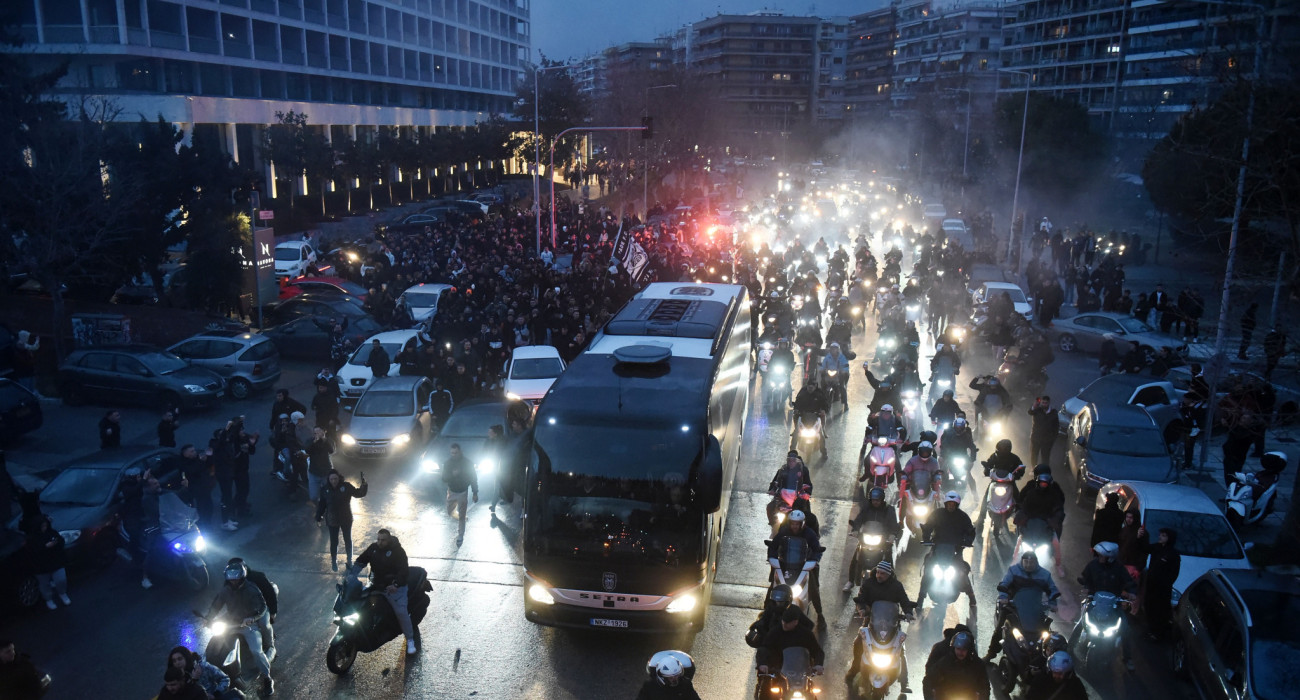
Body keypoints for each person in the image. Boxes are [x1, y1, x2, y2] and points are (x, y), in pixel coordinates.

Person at [847, 560, 915, 694]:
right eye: (878, 572)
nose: (879, 575)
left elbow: (904, 600)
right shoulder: (869, 583)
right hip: (872, 621)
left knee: (900, 650)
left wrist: (908, 612)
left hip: (892, 624)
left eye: (882, 573)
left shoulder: (897, 586)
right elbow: (861, 598)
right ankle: (854, 670)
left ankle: (904, 681)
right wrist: (861, 609)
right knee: (858, 644)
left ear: (889, 574)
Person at [206, 562, 274, 694]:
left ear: (242, 576)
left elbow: (262, 607)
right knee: (215, 645)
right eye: (231, 578)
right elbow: (216, 605)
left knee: (256, 651)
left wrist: (252, 618)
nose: (233, 581)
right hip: (230, 623)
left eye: (236, 578)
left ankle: (267, 678)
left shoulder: (252, 589)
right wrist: (208, 618)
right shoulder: (225, 590)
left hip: (247, 625)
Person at [1071, 542, 1138, 671]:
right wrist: (1085, 588)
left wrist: (1132, 594)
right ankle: (1069, 648)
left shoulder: (1119, 568)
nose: (1099, 557)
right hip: (1094, 602)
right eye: (1099, 555)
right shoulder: (1093, 565)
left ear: (1110, 557)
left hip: (1113, 604)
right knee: (1081, 623)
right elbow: (1084, 578)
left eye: (1102, 555)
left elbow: (1130, 583)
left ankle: (1127, 658)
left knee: (1125, 629)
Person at [984, 551, 1060, 660]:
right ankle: (991, 653)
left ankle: (1045, 655)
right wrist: (1004, 597)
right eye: (1026, 562)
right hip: (1014, 607)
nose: (1029, 565)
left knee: (1046, 631)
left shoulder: (1045, 575)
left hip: (1034, 608)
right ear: (1022, 561)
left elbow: (1052, 590)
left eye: (1031, 562)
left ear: (1036, 562)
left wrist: (1053, 604)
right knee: (1000, 628)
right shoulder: (1013, 571)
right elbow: (1004, 584)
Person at [354, 528, 417, 655]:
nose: (380, 542)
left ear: (389, 540)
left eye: (383, 540)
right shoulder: (373, 548)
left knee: (401, 611)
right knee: (360, 603)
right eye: (378, 539)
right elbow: (362, 560)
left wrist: (396, 584)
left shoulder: (398, 551)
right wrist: (352, 572)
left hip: (394, 588)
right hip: (375, 585)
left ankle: (410, 639)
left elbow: (403, 571)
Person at [917, 492, 976, 606]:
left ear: (957, 505)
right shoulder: (937, 513)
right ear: (945, 503)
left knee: (961, 572)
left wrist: (967, 541)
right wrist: (926, 537)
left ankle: (971, 597)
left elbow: (970, 531)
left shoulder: (963, 517)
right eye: (949, 504)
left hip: (955, 550)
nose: (951, 506)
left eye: (953, 504)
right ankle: (920, 598)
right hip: (937, 549)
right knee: (928, 569)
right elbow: (928, 526)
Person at [767, 509, 824, 620]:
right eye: (792, 523)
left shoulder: (809, 533)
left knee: (813, 587)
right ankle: (766, 611)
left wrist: (814, 560)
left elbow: (817, 549)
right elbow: (773, 546)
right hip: (785, 564)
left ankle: (820, 614)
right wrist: (772, 557)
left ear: (802, 523)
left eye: (797, 524)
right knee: (773, 587)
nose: (794, 526)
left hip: (804, 565)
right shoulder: (784, 531)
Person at [316, 469, 368, 571]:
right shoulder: (325, 489)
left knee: (347, 539)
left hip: (346, 518)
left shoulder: (346, 486)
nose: (334, 481)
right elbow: (322, 504)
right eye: (331, 479)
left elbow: (359, 493)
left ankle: (349, 560)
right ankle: (334, 561)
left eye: (335, 479)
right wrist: (319, 516)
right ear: (329, 479)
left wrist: (364, 484)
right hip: (332, 519)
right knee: (334, 541)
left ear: (339, 478)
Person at [757, 605, 826, 679]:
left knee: (810, 688)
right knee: (766, 687)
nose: (784, 624)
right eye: (783, 621)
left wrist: (818, 664)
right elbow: (764, 648)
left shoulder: (805, 634)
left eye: (787, 623)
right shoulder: (775, 632)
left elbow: (817, 651)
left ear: (795, 622)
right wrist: (763, 663)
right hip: (779, 670)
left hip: (801, 671)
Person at [922, 630, 990, 700]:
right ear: (954, 648)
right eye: (958, 648)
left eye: (964, 649)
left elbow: (984, 686)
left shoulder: (978, 664)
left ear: (969, 650)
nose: (960, 652)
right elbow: (928, 680)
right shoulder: (945, 662)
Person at [1142, 527, 1181, 642]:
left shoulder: (1173, 554)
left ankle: (1158, 633)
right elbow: (1145, 548)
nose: (1160, 537)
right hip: (1151, 586)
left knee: (1160, 611)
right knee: (1149, 607)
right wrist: (1141, 536)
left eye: (1163, 535)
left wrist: (1165, 584)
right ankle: (1151, 630)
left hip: (1162, 590)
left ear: (1169, 538)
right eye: (1160, 535)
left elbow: (1174, 573)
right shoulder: (1157, 547)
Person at [24, 515, 70, 610]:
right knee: (44, 585)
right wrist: (45, 547)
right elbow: (32, 551)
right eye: (42, 526)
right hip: (41, 566)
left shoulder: (52, 532)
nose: (44, 528)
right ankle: (48, 599)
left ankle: (62, 593)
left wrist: (57, 543)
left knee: (61, 580)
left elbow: (61, 541)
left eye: (45, 526)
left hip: (55, 562)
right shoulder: (32, 539)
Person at [166, 646, 243, 700]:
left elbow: (225, 679)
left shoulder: (202, 667)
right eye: (174, 661)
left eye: (180, 659)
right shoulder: (175, 677)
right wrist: (193, 679)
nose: (177, 663)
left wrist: (215, 694)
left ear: (186, 658)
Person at [1016, 466, 1067, 546]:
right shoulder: (1031, 490)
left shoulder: (1055, 491)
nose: (1043, 484)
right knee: (1020, 538)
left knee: (1055, 542)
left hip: (1047, 525)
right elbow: (1021, 501)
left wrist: (1056, 518)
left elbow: (1060, 505)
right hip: (1031, 523)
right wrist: (1021, 514)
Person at [440, 443, 479, 546]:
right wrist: (452, 475)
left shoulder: (467, 463)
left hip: (462, 492)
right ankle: (462, 517)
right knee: (449, 512)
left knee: (461, 515)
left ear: (460, 452)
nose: (453, 455)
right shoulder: (448, 463)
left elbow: (473, 479)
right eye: (452, 453)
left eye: (455, 452)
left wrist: (475, 493)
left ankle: (460, 535)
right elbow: (443, 478)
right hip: (451, 491)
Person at [767, 451, 814, 526]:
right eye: (789, 460)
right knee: (770, 507)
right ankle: (772, 524)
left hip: (797, 497)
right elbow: (775, 481)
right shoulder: (782, 470)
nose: (791, 462)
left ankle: (806, 527)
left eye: (793, 461)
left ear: (796, 461)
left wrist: (806, 493)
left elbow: (808, 484)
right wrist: (772, 489)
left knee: (807, 513)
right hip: (783, 498)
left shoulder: (803, 471)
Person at [1019, 651, 1088, 700]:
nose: (1057, 676)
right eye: (1055, 672)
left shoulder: (1075, 685)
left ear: (1067, 672)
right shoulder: (1042, 679)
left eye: (1060, 673)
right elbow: (1031, 696)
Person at [636, 652, 701, 700]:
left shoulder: (686, 684)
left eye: (676, 675)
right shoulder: (649, 686)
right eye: (671, 677)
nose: (675, 679)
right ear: (663, 677)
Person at [305, 426, 336, 500]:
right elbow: (307, 450)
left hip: (326, 472)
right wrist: (314, 442)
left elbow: (331, 450)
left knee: (330, 494)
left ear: (323, 432)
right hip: (314, 472)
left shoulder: (329, 440)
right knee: (313, 497)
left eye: (318, 432)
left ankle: (327, 508)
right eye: (315, 433)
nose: (316, 434)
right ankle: (319, 506)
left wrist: (324, 440)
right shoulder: (310, 440)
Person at [1027, 396, 1056, 467]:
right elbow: (1030, 412)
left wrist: (1053, 438)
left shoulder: (1053, 412)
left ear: (1049, 403)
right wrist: (1034, 406)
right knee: (1034, 455)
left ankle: (1044, 470)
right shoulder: (1037, 410)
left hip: (1047, 440)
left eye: (1046, 403)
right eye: (1043, 403)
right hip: (1036, 438)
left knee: (1045, 456)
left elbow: (1056, 426)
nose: (1044, 404)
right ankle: (1033, 468)